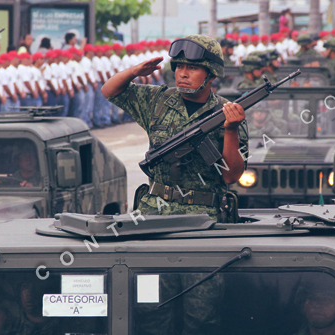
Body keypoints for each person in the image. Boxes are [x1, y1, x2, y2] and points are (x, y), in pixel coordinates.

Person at [102, 34, 248, 222]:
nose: (183, 74)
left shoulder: (230, 113)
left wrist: (231, 130)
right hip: (153, 211)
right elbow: (109, 91)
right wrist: (134, 72)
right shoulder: (157, 99)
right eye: (179, 66)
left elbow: (231, 176)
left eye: (193, 68)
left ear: (211, 74)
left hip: (204, 216)